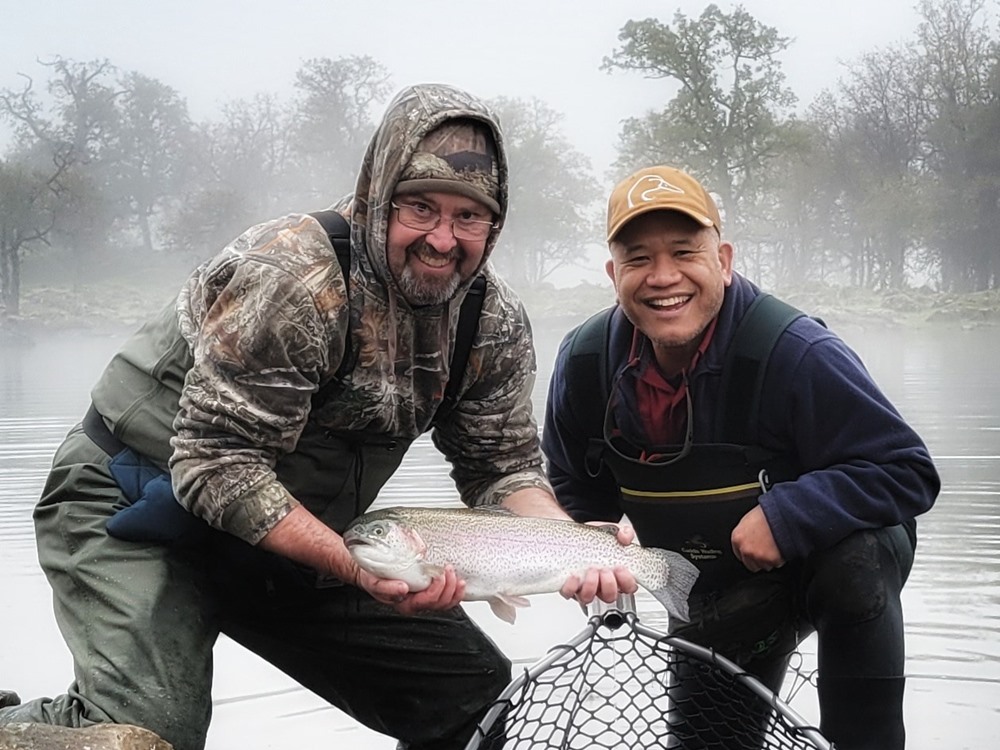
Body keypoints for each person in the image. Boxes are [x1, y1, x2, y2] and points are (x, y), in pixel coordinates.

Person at [0, 83, 635, 750]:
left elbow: (499, 465)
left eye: (469, 218)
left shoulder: (490, 319)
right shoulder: (295, 276)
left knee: (476, 699)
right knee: (145, 736)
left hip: (302, 535)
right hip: (133, 503)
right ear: (376, 197)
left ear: (494, 225)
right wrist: (356, 567)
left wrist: (573, 546)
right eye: (420, 208)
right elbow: (215, 464)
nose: (443, 240)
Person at [542, 165, 940, 750]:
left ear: (723, 260)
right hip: (709, 593)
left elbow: (907, 469)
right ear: (613, 274)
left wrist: (788, 516)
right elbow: (576, 486)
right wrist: (593, 546)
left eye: (684, 251)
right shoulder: (583, 366)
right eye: (638, 259)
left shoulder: (798, 352)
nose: (663, 276)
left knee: (857, 560)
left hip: (826, 571)